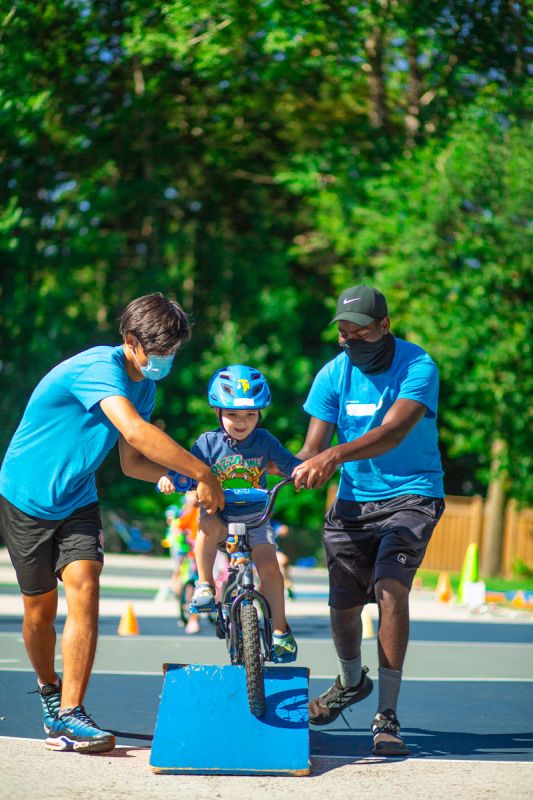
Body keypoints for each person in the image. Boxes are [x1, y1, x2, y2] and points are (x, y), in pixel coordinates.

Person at [0, 292, 224, 754]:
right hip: (27, 496)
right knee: (40, 611)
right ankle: (48, 688)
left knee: (85, 584)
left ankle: (71, 714)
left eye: (172, 351)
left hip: (78, 498)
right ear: (130, 341)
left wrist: (178, 479)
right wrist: (203, 472)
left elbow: (131, 462)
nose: (165, 359)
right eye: (158, 351)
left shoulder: (145, 386)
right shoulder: (98, 368)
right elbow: (137, 433)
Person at [292, 284, 445, 756]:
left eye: (359, 332)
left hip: (412, 494)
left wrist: (335, 456)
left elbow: (393, 432)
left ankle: (387, 714)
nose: (349, 340)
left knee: (389, 587)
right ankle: (350, 681)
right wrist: (268, 466)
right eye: (343, 332)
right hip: (353, 504)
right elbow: (312, 449)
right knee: (343, 606)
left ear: (384, 326)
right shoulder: (333, 374)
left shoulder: (418, 367)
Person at [157, 364, 301, 663]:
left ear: (259, 414)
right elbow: (186, 469)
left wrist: (303, 472)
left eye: (250, 415)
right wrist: (171, 479)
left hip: (257, 517)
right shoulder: (207, 443)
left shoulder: (265, 441)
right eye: (232, 414)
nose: (241, 422)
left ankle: (279, 631)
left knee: (270, 567)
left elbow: (289, 463)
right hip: (221, 516)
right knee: (206, 524)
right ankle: (205, 585)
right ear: (217, 411)